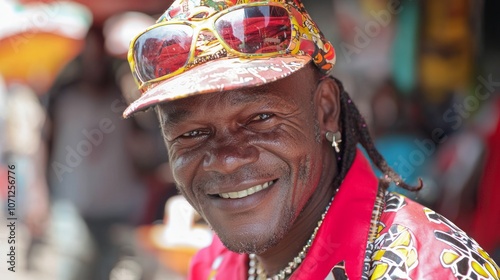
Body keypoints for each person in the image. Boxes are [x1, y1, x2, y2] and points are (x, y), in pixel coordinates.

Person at [122, 0, 500, 279]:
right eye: (192, 134)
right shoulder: (215, 264)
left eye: (260, 119)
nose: (226, 159)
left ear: (326, 111)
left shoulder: (429, 267)